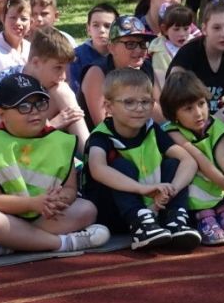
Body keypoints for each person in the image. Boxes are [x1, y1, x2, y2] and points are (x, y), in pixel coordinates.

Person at [0, 72, 109, 256]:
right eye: (24, 106)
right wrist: (31, 203)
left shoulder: (60, 141)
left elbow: (70, 189)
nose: (35, 111)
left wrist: (57, 200)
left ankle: (11, 242)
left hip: (45, 215)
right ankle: (62, 243)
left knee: (87, 210)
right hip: (6, 214)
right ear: (1, 114)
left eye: (40, 104)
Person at [83, 67, 201, 251]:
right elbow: (98, 169)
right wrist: (142, 189)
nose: (139, 108)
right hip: (115, 212)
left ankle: (175, 221)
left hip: (155, 205)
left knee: (174, 164)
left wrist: (172, 190)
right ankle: (140, 225)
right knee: (120, 165)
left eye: (145, 102)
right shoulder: (101, 136)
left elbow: (189, 161)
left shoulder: (151, 129)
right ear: (109, 106)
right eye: (129, 102)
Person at [159, 69, 224, 246]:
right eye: (188, 109)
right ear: (174, 114)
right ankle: (203, 217)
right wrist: (222, 181)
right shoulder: (172, 131)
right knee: (190, 176)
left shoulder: (215, 125)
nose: (198, 113)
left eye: (201, 104)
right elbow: (198, 158)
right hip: (193, 182)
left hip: (216, 181)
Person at [0, 26, 85, 150]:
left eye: (66, 69)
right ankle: (89, 154)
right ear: (36, 62)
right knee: (62, 92)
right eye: (58, 68)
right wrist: (53, 125)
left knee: (62, 91)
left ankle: (88, 152)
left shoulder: (49, 84)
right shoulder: (4, 83)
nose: (63, 76)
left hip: (32, 144)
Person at [167, 0, 224, 125]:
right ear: (204, 29)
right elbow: (173, 106)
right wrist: (210, 121)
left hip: (215, 123)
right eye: (216, 28)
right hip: (186, 127)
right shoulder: (188, 55)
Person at [81, 14, 156, 127]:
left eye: (142, 44)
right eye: (130, 44)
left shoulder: (146, 67)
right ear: (111, 48)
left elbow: (156, 108)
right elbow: (103, 123)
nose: (138, 50)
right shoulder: (97, 72)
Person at [69, 2, 116, 92]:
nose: (101, 30)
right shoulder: (76, 57)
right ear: (88, 29)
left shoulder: (122, 53)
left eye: (107, 26)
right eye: (95, 25)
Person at [150, 4, 196, 91]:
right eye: (176, 29)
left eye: (186, 28)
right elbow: (162, 82)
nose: (182, 34)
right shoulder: (160, 53)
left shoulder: (195, 44)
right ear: (165, 30)